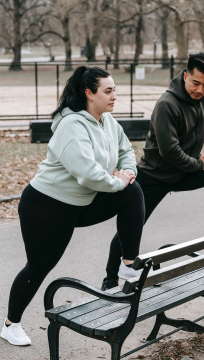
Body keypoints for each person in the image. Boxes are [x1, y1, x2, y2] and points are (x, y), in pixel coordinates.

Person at [1, 66, 145, 346]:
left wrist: (127, 174)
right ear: (89, 94)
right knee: (39, 267)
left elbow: (127, 150)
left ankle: (129, 264)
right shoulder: (72, 125)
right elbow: (88, 174)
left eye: (115, 89)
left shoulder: (107, 121)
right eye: (108, 90)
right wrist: (117, 182)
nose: (114, 95)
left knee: (133, 192)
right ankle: (11, 324)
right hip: (45, 207)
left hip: (82, 202)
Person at [101, 52, 204, 291]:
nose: (200, 90)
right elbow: (169, 151)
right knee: (132, 226)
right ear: (185, 75)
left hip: (185, 171)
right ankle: (110, 278)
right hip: (155, 175)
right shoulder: (167, 104)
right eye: (196, 83)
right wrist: (199, 164)